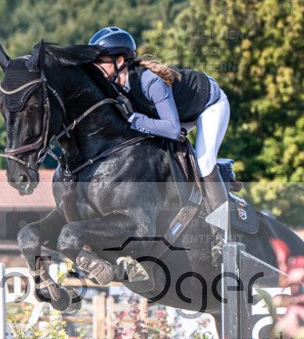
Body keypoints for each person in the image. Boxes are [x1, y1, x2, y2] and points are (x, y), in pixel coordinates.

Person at [88, 26, 231, 217]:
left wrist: (134, 119)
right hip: (179, 114)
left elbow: (172, 130)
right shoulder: (116, 86)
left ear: (120, 60)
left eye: (100, 63)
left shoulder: (150, 81)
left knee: (204, 163)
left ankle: (224, 233)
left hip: (210, 104)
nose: (95, 69)